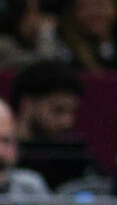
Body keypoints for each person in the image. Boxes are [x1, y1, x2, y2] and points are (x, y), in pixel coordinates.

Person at [10, 58, 95, 189]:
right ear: (27, 104)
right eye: (58, 110)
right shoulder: (1, 156)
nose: (67, 122)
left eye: (72, 112)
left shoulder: (74, 156)